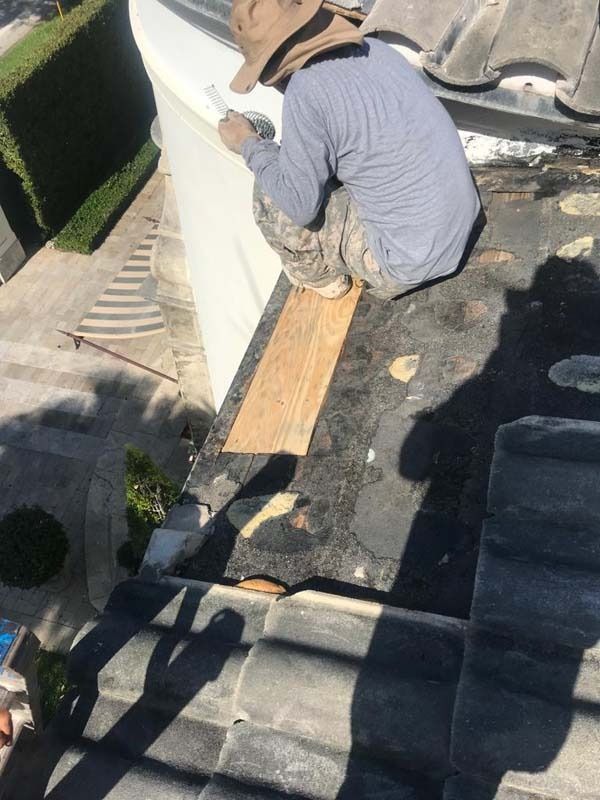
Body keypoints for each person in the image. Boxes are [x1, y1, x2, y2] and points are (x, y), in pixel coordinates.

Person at [218, 0, 481, 301]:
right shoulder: (375, 50)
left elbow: (300, 205)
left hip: (407, 260)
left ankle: (322, 277)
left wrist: (248, 143)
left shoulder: (306, 90)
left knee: (269, 187)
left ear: (272, 65)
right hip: (461, 223)